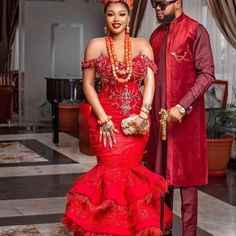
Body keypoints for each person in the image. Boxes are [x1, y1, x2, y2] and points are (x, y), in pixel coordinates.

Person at [63, 0, 172, 235]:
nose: (116, 19)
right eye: (111, 14)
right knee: (109, 170)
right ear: (105, 18)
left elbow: (151, 81)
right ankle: (107, 228)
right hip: (105, 119)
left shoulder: (143, 45)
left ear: (129, 18)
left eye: (122, 14)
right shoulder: (95, 45)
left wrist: (144, 114)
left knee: (131, 171)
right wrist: (103, 118)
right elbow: (88, 85)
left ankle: (131, 228)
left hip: (137, 118)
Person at [147, 0, 215, 236]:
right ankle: (163, 230)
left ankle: (189, 233)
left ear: (178, 3)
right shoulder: (155, 36)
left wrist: (183, 106)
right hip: (159, 121)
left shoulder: (196, 31)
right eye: (154, 4)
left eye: (162, 3)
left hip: (186, 123)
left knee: (187, 184)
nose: (157, 8)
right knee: (159, 182)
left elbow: (207, 74)